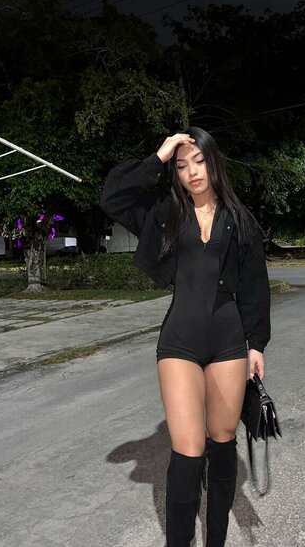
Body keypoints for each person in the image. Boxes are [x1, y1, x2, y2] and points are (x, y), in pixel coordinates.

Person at [101, 127, 271, 546]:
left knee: (222, 443)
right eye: (181, 166)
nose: (192, 172)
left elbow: (255, 285)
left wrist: (256, 344)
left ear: (214, 163)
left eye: (199, 161)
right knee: (188, 452)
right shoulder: (165, 213)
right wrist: (158, 157)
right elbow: (113, 197)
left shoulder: (240, 219)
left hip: (229, 344)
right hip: (179, 342)